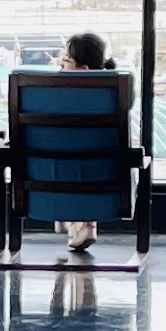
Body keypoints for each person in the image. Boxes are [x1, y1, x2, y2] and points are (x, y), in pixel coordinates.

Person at [58, 31, 115, 254]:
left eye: (65, 61)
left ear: (83, 69)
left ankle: (74, 219)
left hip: (55, 167)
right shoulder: (112, 93)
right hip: (103, 168)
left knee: (69, 156)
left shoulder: (49, 96)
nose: (60, 66)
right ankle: (83, 222)